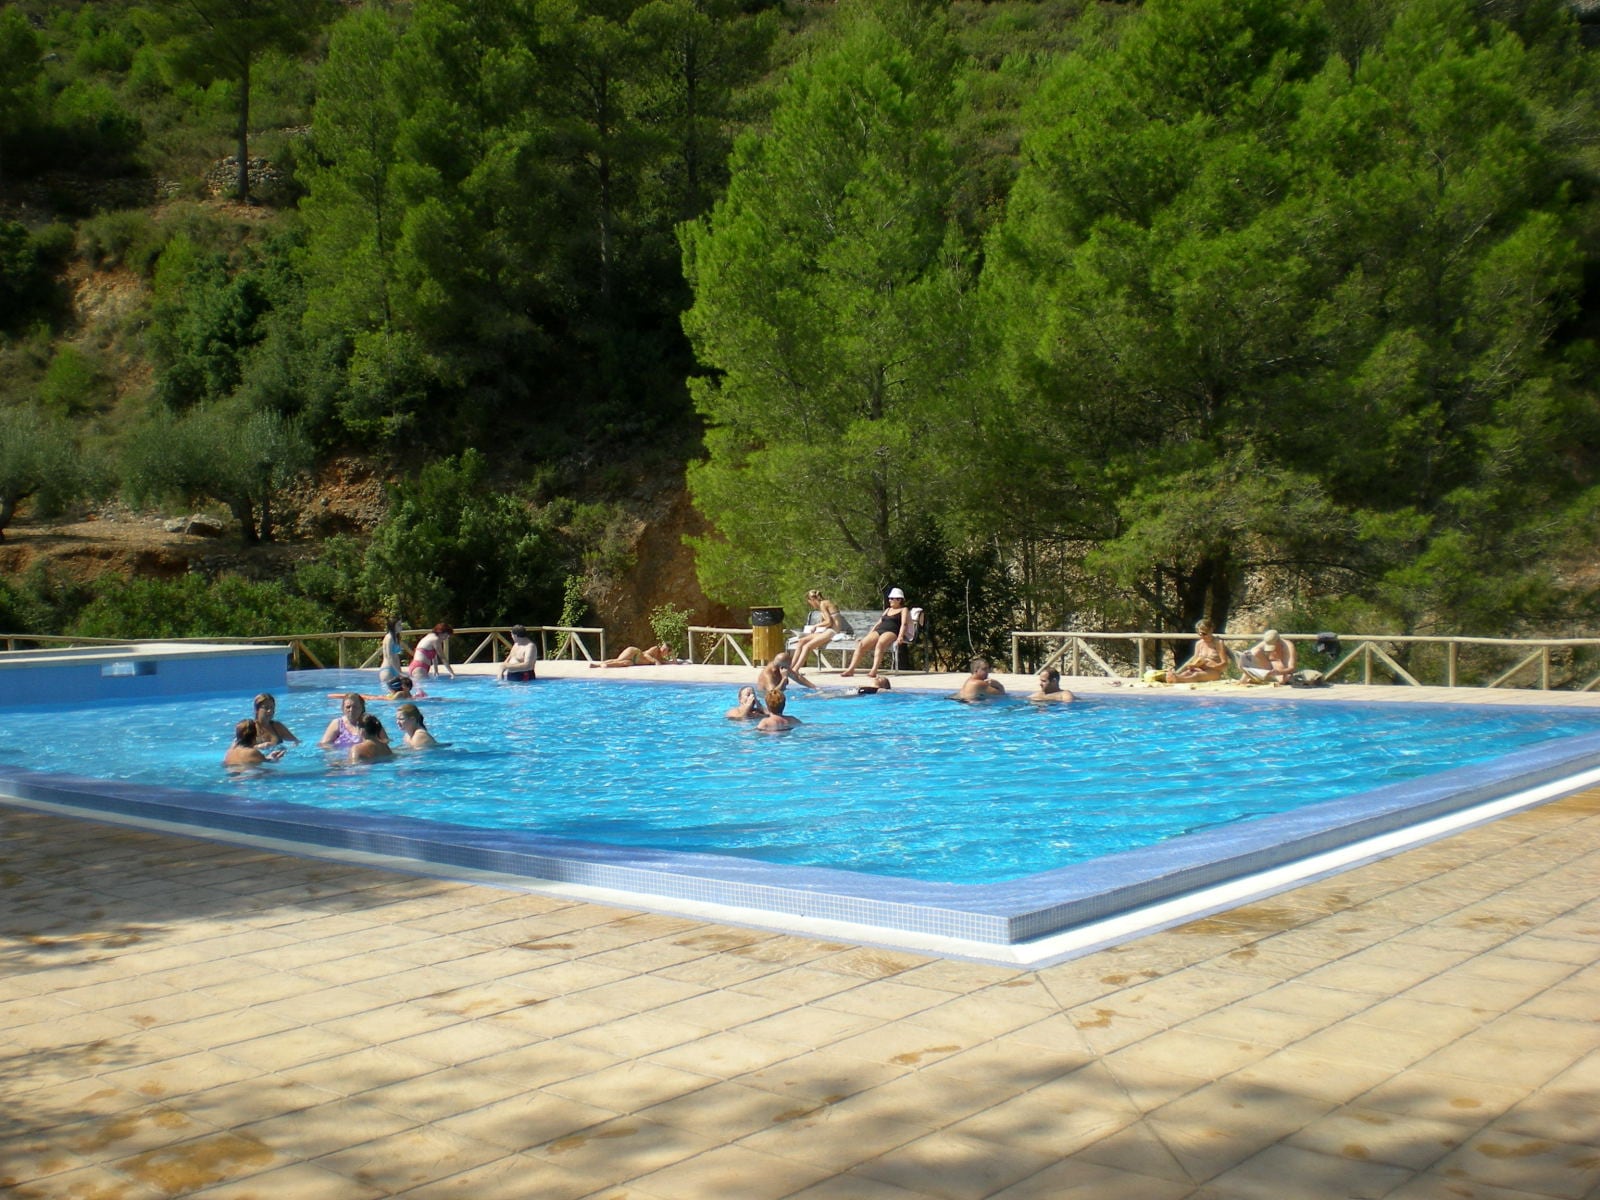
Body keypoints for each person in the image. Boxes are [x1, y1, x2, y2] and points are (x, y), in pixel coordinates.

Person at [841, 588, 913, 678]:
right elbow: (878, 623)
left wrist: (900, 636)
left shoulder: (904, 609)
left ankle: (874, 670)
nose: (889, 600)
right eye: (889, 598)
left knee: (880, 643)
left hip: (892, 631)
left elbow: (904, 624)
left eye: (892, 598)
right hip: (880, 630)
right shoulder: (887, 610)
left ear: (899, 599)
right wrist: (867, 635)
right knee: (861, 644)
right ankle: (850, 669)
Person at [791, 589, 844, 670]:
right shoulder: (823, 604)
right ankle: (791, 667)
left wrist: (815, 626)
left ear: (812, 600)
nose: (812, 606)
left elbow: (829, 622)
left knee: (807, 646)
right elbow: (827, 622)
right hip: (827, 630)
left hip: (833, 631)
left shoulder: (823, 604)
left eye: (810, 603)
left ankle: (795, 670)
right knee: (801, 641)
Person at [1172, 618, 1229, 684]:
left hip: (1214, 671)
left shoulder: (1218, 643)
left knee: (1196, 675)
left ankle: (1178, 679)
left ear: (1211, 630)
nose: (1202, 636)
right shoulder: (1199, 644)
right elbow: (1195, 661)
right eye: (1200, 634)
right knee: (1187, 673)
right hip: (1200, 669)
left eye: (1204, 633)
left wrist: (1213, 666)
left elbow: (1225, 663)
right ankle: (1176, 678)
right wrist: (1193, 665)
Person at [319, 693, 386, 748]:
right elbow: (324, 745)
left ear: (362, 708)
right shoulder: (337, 723)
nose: (351, 710)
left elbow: (385, 742)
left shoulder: (370, 722)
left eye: (355, 707)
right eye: (348, 707)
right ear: (342, 709)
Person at [378, 617, 409, 690]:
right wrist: (399, 672)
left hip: (395, 669)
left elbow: (396, 657)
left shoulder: (395, 637)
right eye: (399, 625)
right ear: (393, 626)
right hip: (388, 670)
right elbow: (390, 657)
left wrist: (399, 671)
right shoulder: (389, 637)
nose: (401, 627)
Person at [591, 643, 675, 668]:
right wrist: (655, 661)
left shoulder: (660, 658)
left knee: (623, 663)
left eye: (665, 650)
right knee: (618, 660)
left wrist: (673, 654)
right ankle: (597, 665)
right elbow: (646, 655)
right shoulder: (655, 649)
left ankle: (605, 665)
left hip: (634, 661)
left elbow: (673, 663)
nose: (662, 649)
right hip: (634, 652)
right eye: (662, 647)